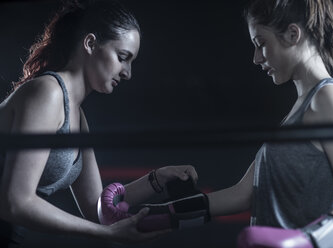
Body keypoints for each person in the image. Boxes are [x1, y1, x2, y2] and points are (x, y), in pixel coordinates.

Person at [103, 0, 333, 247]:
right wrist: (156, 216)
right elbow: (243, 194)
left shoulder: (330, 98)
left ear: (292, 34)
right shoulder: (298, 110)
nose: (256, 57)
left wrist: (302, 242)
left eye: (260, 42)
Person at [0, 0, 198, 247]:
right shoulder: (47, 93)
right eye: (122, 57)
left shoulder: (77, 116)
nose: (127, 73)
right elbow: (16, 202)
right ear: (90, 43)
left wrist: (157, 178)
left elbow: (97, 207)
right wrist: (106, 234)